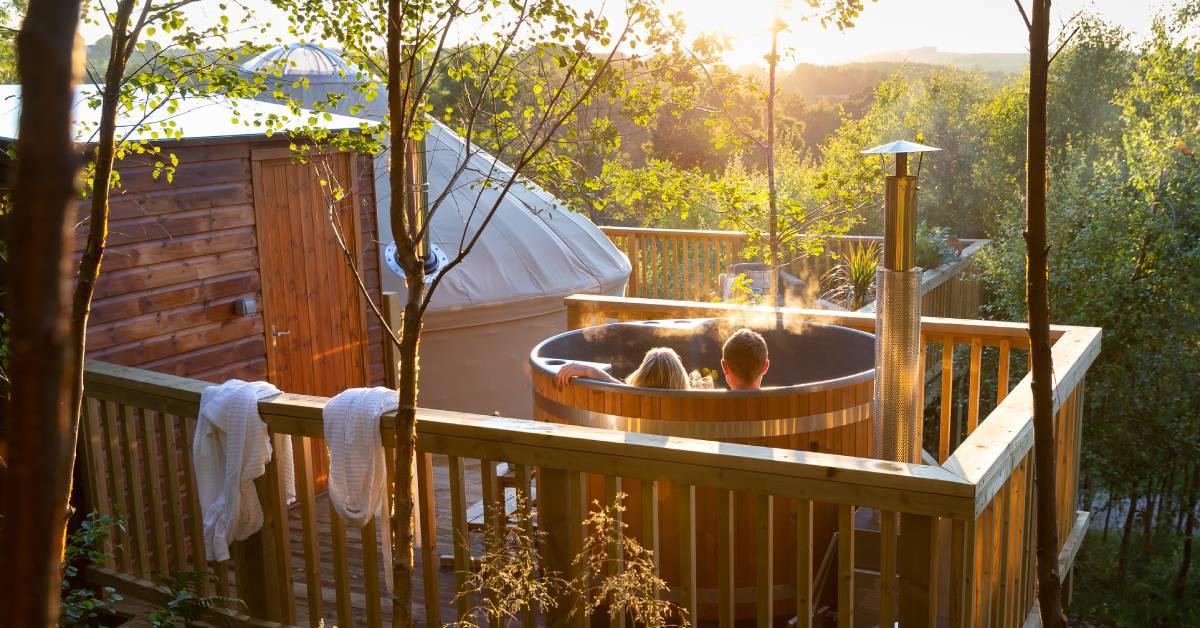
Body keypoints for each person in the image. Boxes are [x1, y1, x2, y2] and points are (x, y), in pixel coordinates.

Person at [555, 347, 689, 390]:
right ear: (680, 376)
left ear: (642, 373)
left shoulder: (634, 400)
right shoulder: (689, 404)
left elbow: (619, 388)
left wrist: (589, 371)